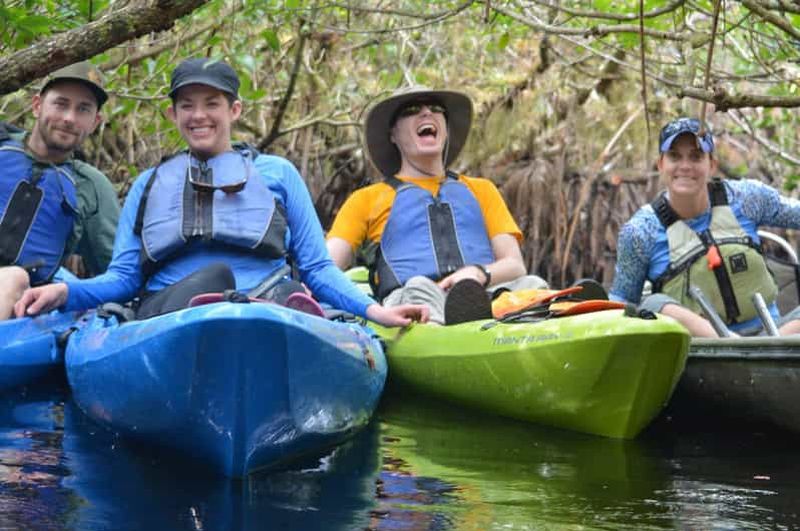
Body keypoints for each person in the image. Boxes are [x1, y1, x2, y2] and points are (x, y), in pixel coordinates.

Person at [13, 57, 426, 327]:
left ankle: (277, 312)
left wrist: (376, 311)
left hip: (267, 302)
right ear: (172, 114)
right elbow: (123, 279)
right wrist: (67, 292)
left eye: (212, 103)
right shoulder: (148, 183)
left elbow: (318, 268)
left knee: (286, 291)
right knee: (214, 278)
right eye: (187, 105)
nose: (199, 115)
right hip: (170, 315)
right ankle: (239, 308)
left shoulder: (277, 173)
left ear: (234, 111)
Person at [326, 86, 547, 325]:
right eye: (411, 110)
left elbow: (515, 265)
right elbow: (324, 268)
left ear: (445, 128)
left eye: (436, 109)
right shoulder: (366, 199)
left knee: (533, 285)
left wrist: (478, 273)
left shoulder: (482, 190)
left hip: (486, 294)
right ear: (393, 134)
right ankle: (457, 337)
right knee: (418, 286)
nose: (426, 114)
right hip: (414, 304)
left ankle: (540, 327)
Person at [610, 116, 800, 337]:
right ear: (661, 164)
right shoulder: (640, 232)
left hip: (775, 339)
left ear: (712, 164)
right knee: (653, 302)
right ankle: (729, 347)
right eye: (674, 156)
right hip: (704, 350)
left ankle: (759, 351)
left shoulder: (748, 198)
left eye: (696, 156)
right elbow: (621, 304)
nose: (685, 166)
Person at [0, 62, 120, 320]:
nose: (69, 118)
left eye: (83, 109)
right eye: (61, 104)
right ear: (36, 105)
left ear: (96, 121)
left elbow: (118, 271)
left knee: (13, 276)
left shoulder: (90, 186)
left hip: (22, 303)